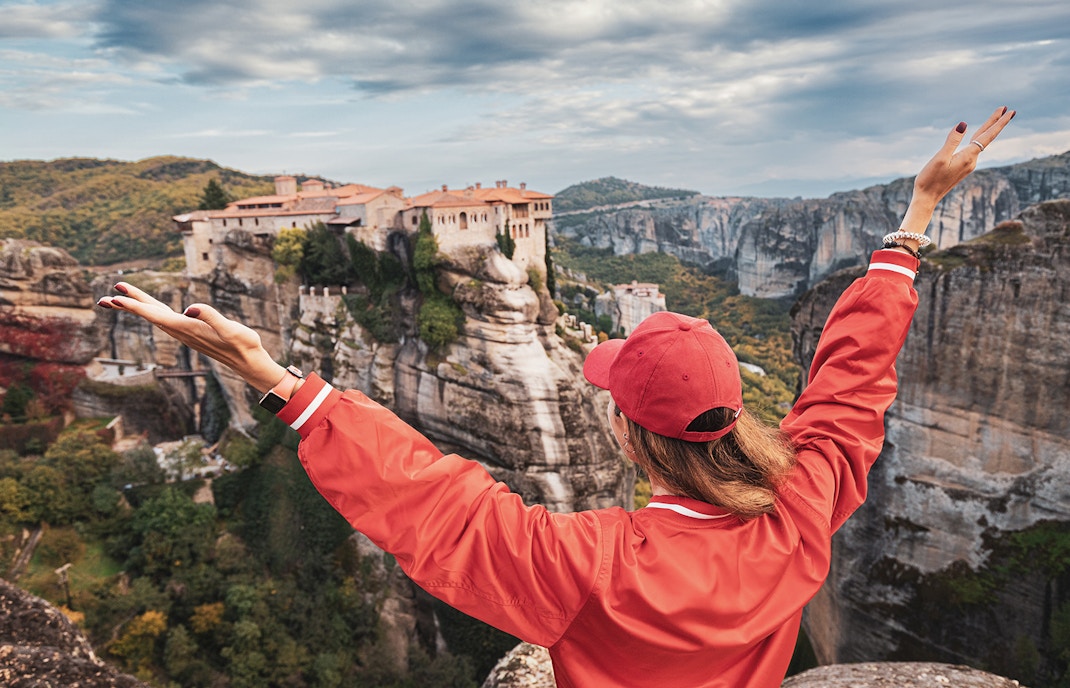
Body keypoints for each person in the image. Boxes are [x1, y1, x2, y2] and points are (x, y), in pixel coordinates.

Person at [97, 107, 1015, 687]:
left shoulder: (600, 567)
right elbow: (849, 390)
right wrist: (913, 226)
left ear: (630, 434)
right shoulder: (802, 505)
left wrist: (276, 380)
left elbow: (438, 509)